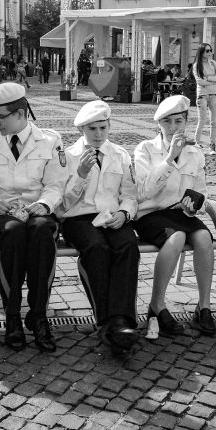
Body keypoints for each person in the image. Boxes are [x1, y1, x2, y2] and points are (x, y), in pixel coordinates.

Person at [0, 83, 68, 352]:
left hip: (37, 210)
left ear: (21, 113)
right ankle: (12, 316)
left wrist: (45, 205)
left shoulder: (50, 140)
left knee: (42, 233)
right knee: (12, 232)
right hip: (2, 213)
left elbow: (56, 184)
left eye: (0, 116)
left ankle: (38, 315)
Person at [56, 100, 140, 357]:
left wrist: (125, 213)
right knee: (96, 248)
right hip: (77, 218)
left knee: (127, 245)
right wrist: (81, 175)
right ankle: (105, 319)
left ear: (109, 126)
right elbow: (61, 204)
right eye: (92, 129)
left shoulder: (120, 154)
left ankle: (121, 320)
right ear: (81, 129)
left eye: (103, 127)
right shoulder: (69, 157)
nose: (98, 134)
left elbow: (130, 194)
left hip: (111, 216)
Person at [134, 95, 215, 338]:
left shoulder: (195, 152)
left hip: (180, 214)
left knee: (203, 238)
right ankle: (157, 305)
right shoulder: (146, 149)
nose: (173, 128)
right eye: (167, 123)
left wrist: (195, 206)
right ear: (158, 125)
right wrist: (169, 158)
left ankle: (203, 306)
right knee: (177, 238)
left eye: (178, 122)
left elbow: (201, 191)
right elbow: (143, 192)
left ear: (186, 122)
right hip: (151, 213)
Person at [193, 43, 216, 155]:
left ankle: (212, 145)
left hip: (214, 94)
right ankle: (196, 142)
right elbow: (200, 82)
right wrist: (214, 80)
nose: (210, 52)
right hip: (202, 95)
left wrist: (209, 78)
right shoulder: (197, 65)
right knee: (202, 120)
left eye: (211, 50)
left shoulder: (213, 63)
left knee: (214, 121)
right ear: (201, 52)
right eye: (207, 51)